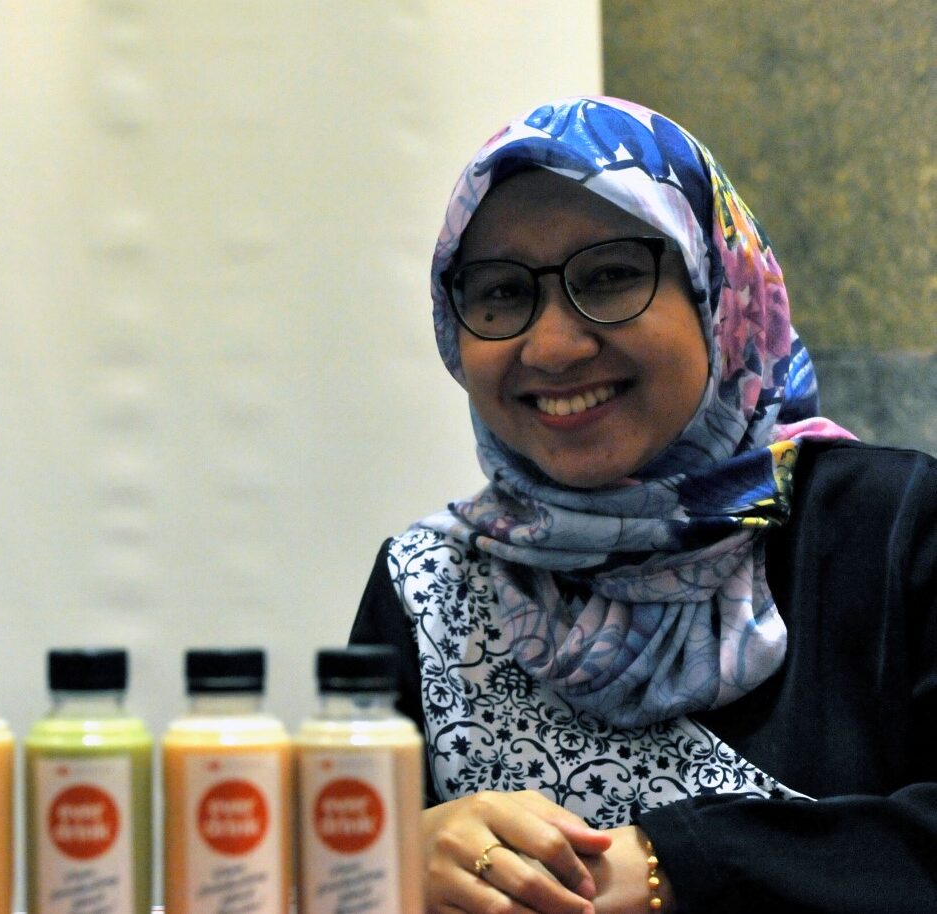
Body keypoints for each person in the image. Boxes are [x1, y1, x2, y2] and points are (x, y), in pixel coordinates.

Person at [351, 96, 937, 913]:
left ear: (719, 290)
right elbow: (333, 871)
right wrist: (391, 859)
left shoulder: (891, 526)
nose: (552, 347)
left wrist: (672, 864)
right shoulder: (428, 589)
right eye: (500, 292)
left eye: (610, 276)